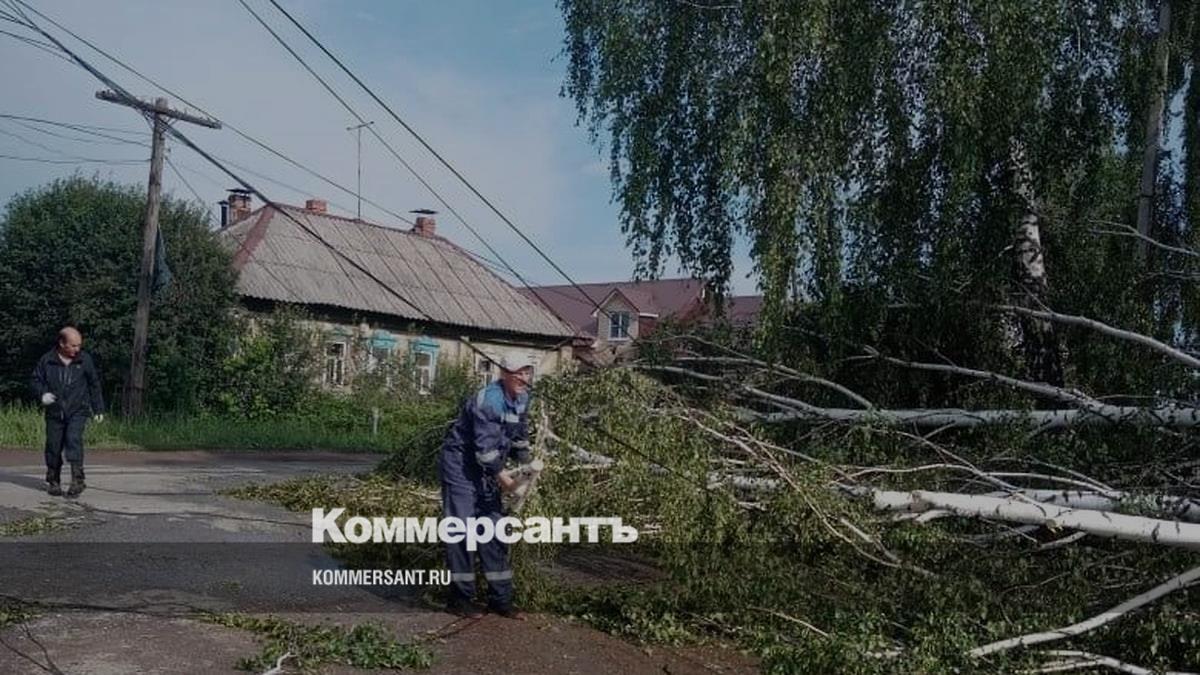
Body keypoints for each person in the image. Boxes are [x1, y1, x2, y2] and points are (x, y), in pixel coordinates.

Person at [437, 352, 536, 619]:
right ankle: (459, 599)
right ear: (504, 373)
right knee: (461, 530)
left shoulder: (523, 398)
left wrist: (528, 465)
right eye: (518, 372)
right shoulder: (488, 400)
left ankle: (500, 600)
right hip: (461, 467)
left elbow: (519, 436)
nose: (523, 378)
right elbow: (485, 452)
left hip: (488, 468)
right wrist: (507, 481)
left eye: (527, 372)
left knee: (493, 529)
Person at [30, 327, 105, 497]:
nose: (77, 349)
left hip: (78, 410)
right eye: (73, 345)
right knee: (53, 446)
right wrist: (42, 394)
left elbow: (94, 384)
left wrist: (98, 408)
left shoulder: (84, 360)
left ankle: (78, 480)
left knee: (73, 439)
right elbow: (35, 380)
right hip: (55, 412)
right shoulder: (47, 360)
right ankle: (53, 480)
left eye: (79, 345)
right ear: (62, 343)